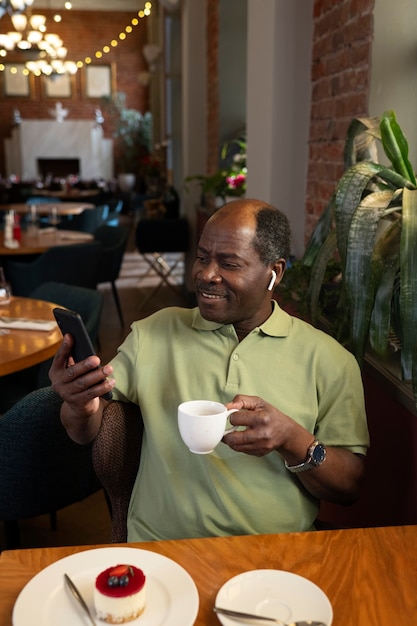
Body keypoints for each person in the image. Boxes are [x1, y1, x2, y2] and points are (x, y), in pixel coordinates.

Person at [50, 198, 369, 541]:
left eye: (229, 264)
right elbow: (83, 428)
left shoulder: (329, 360)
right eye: (202, 257)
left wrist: (293, 440)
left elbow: (348, 486)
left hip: (275, 552)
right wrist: (79, 405)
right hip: (162, 548)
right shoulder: (155, 332)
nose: (205, 274)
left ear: (274, 273)